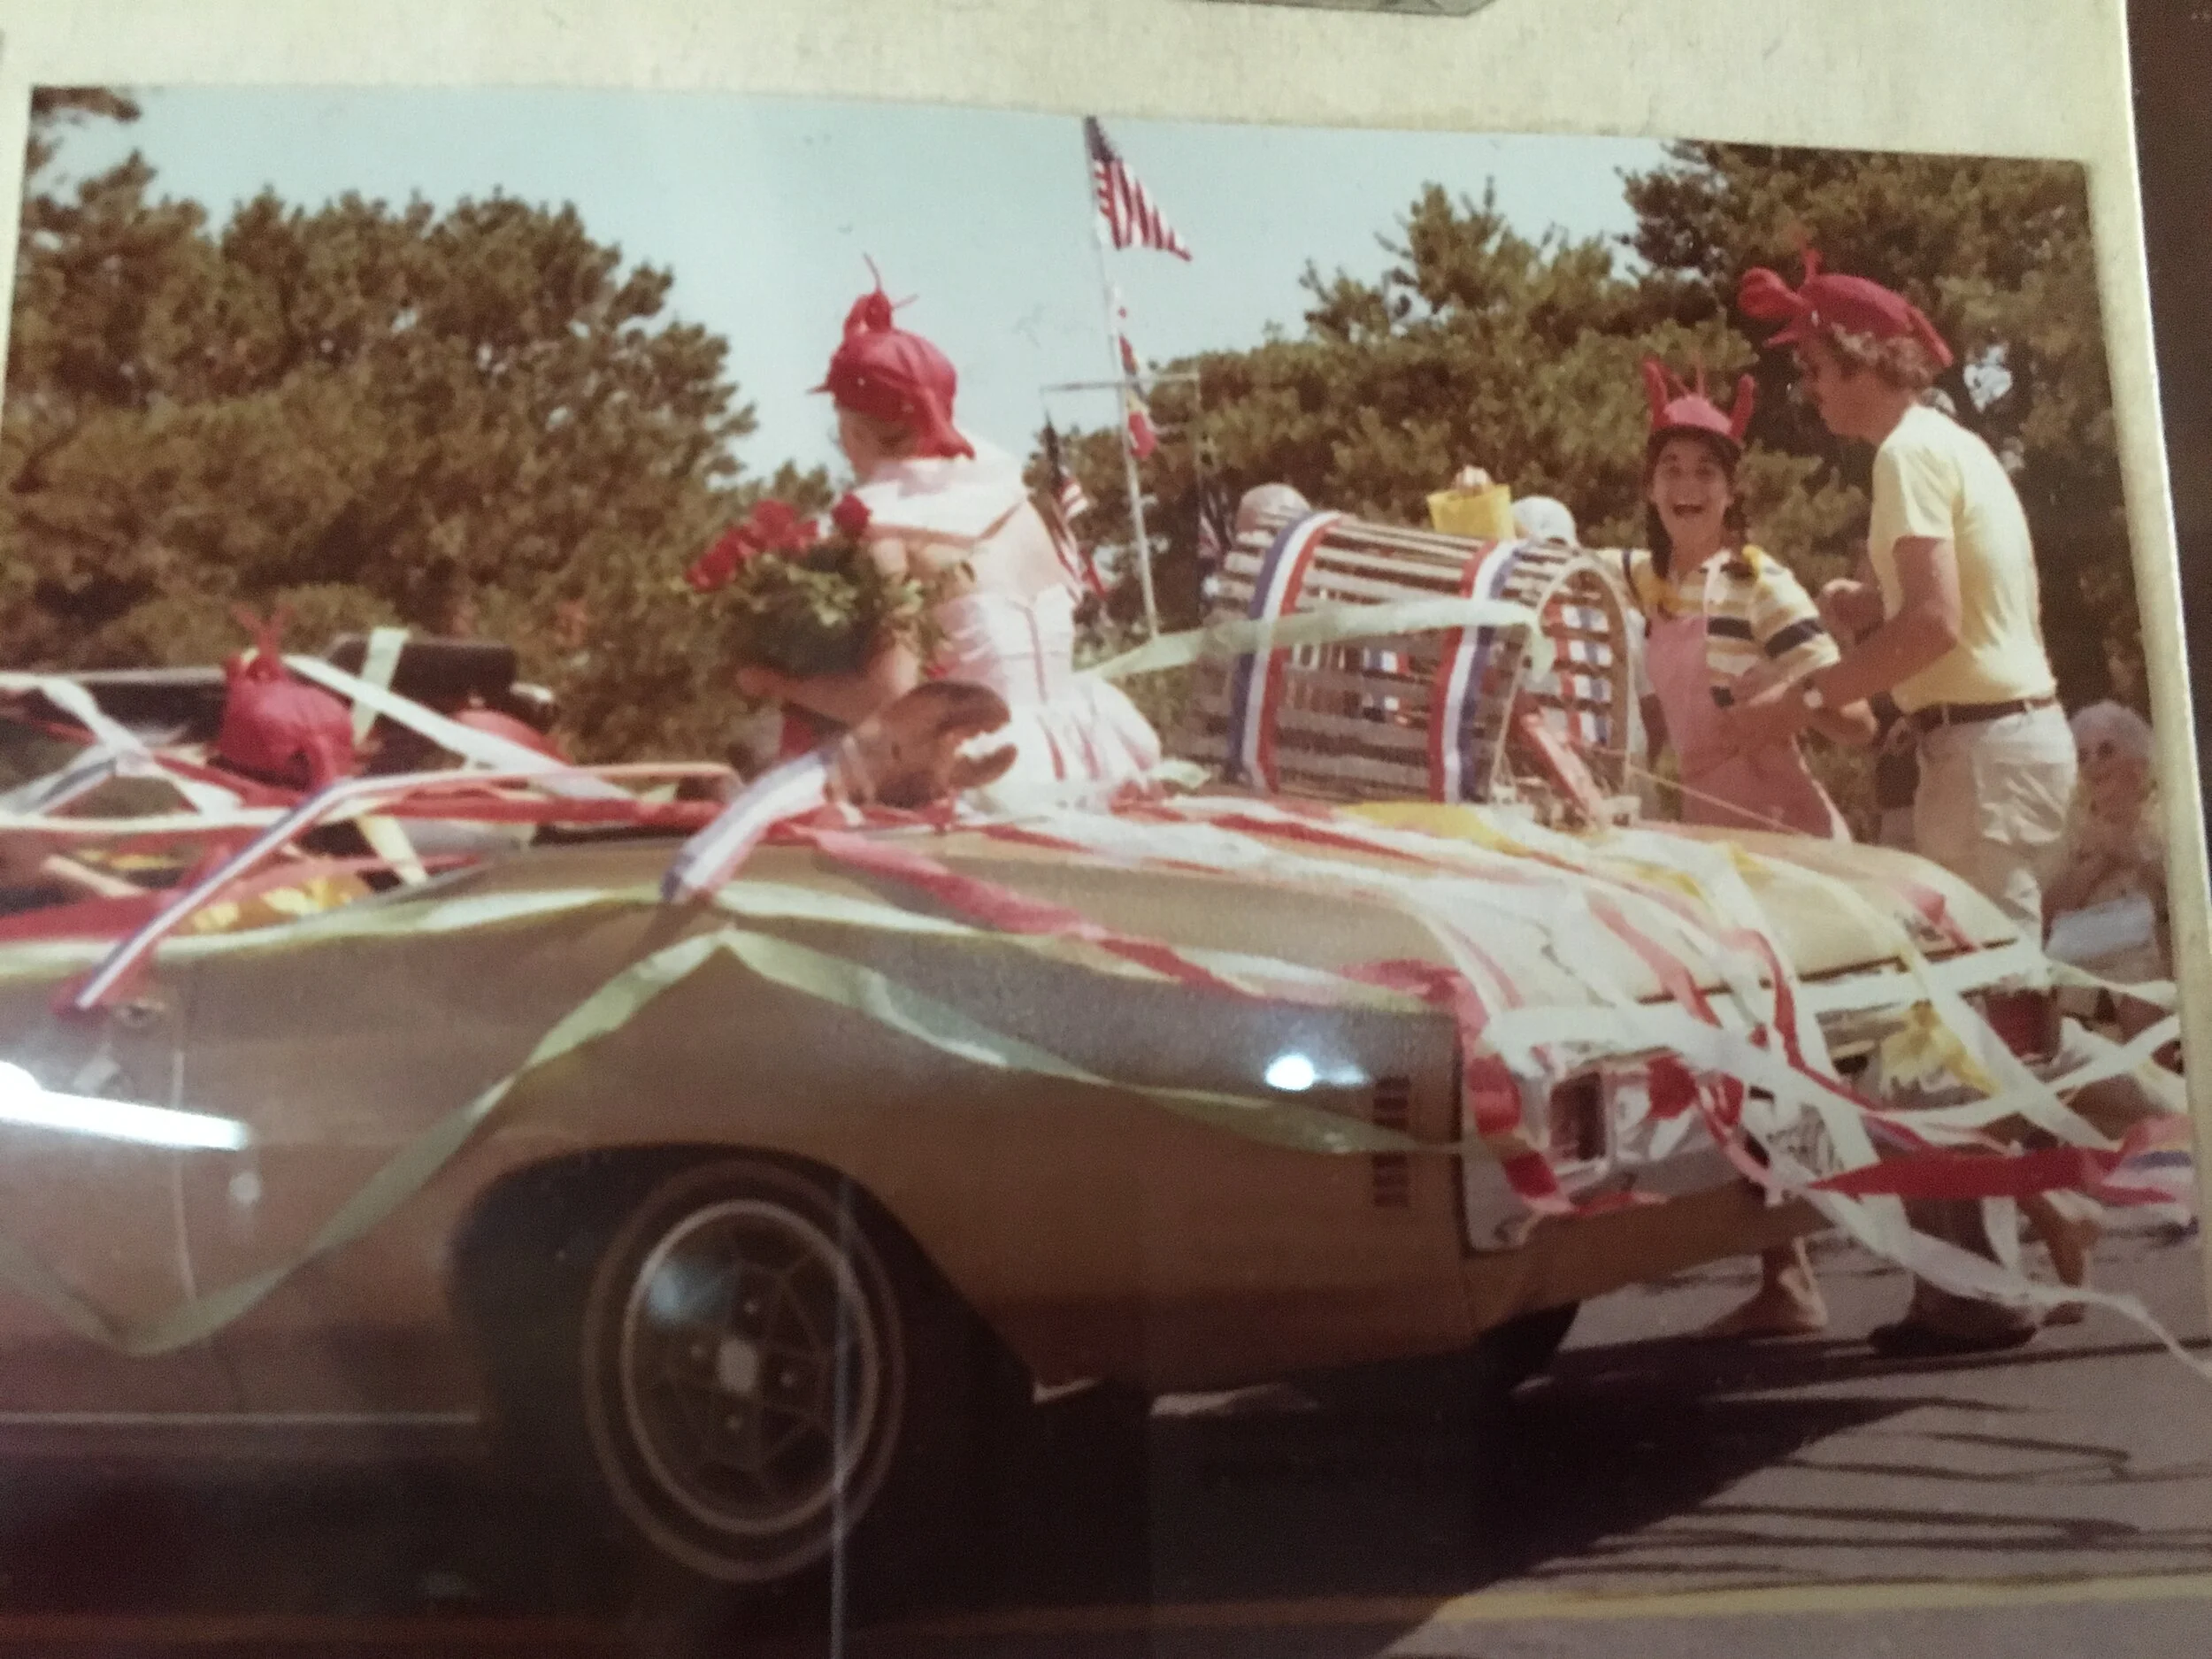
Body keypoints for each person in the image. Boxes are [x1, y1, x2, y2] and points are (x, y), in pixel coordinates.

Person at [1731, 250, 2083, 1356]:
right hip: (1998, 748)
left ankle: (1995, 1267)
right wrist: (1857, 609)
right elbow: (1945, 615)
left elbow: (1930, 628)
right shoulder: (1951, 448)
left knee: (1960, 1023)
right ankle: (2018, 1226)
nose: (1811, 391)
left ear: (1859, 361)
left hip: (1977, 760)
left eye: (1817, 368)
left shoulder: (1904, 460)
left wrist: (1805, 693)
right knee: (1982, 1015)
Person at [1619, 357, 1877, 1338]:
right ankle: (1789, 1277)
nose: (1686, 486)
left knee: (1877, 1054)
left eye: (1705, 472)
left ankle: (2053, 1194)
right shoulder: (1647, 584)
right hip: (1705, 855)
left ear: (1733, 493)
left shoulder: (1758, 581)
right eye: (1671, 467)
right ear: (1651, 484)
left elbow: (1850, 721)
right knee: (1754, 1067)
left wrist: (1782, 709)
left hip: (1787, 848)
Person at [733, 278, 1161, 805]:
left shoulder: (886, 530)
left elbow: (887, 699)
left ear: (855, 430)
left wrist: (779, 683)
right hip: (1082, 744)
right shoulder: (1016, 501)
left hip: (983, 767)